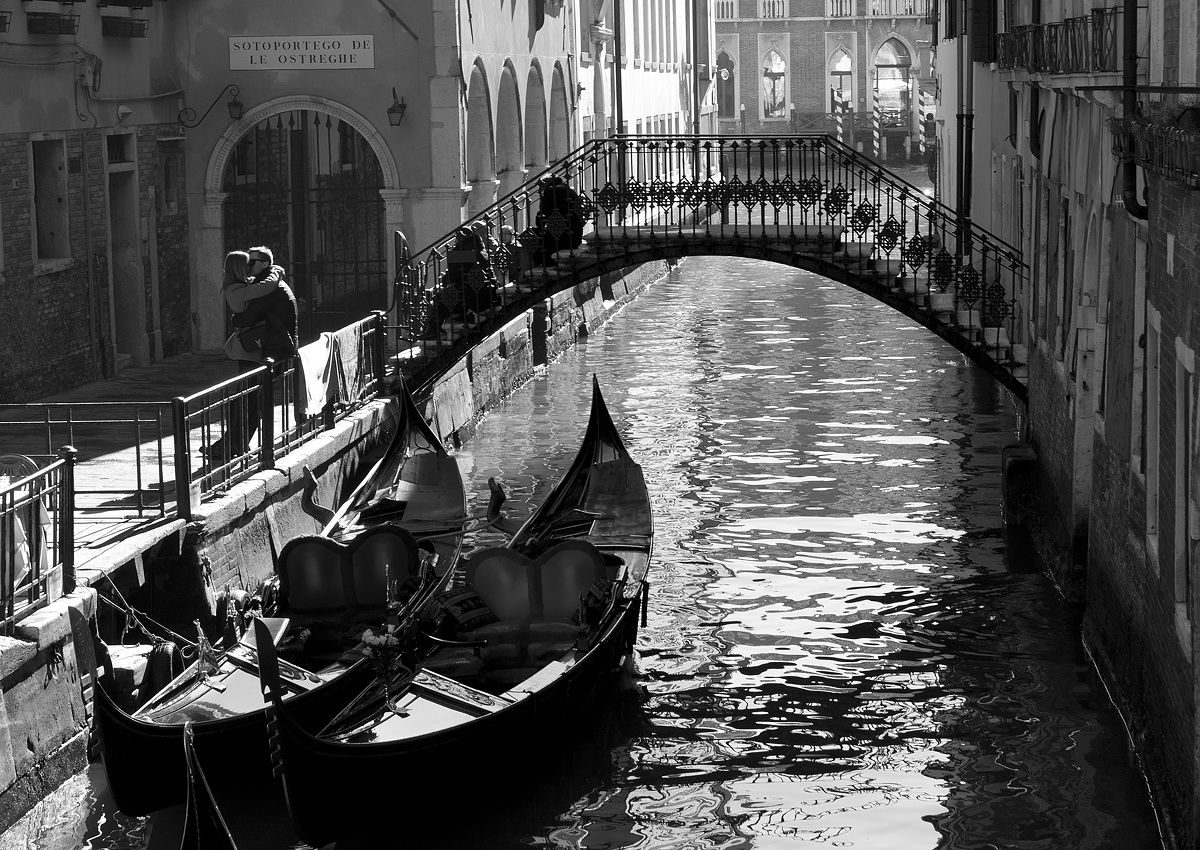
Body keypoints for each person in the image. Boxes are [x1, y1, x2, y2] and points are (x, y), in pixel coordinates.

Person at [530, 176, 585, 264]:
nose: (540, 191)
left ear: (544, 185)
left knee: (532, 238)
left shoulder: (551, 192)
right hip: (575, 235)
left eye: (541, 188)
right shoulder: (567, 189)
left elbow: (543, 217)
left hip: (562, 238)